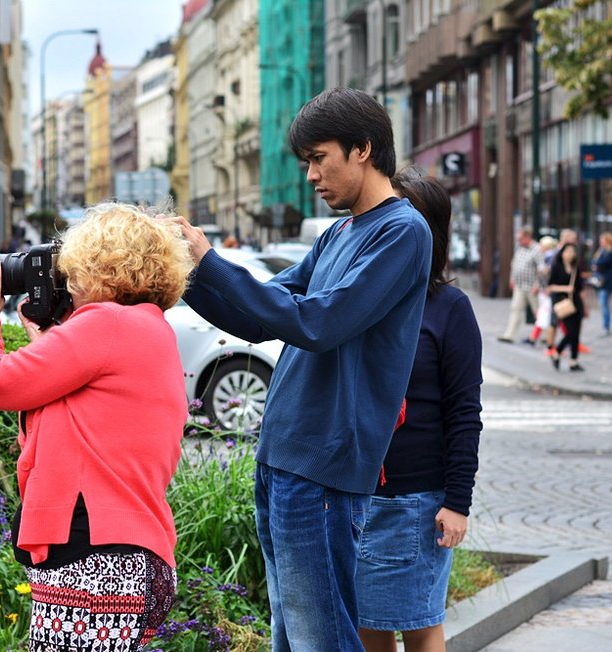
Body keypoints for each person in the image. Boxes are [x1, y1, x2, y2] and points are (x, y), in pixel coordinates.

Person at [169, 87, 432, 651]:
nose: (311, 175)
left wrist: (213, 261)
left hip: (325, 463)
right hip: (284, 455)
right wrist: (186, 274)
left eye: (319, 157)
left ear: (362, 148)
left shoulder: (402, 231)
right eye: (306, 161)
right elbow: (263, 312)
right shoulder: (339, 233)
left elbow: (318, 322)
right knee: (290, 633)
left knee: (322, 638)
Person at [0, 202, 192, 652]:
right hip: (128, 555)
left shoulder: (105, 324)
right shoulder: (146, 328)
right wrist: (47, 344)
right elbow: (72, 423)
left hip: (96, 558)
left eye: (73, 269)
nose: (67, 279)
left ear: (97, 267)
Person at [356, 168, 482, 652]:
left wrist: (457, 503)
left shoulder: (450, 308)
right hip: (358, 490)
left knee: (419, 622)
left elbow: (465, 412)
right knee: (369, 625)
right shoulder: (365, 298)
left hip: (416, 501)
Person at [497, 227, 542, 344]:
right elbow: (514, 264)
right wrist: (512, 279)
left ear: (528, 237)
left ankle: (545, 337)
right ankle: (510, 335)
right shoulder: (519, 248)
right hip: (520, 285)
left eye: (521, 239)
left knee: (538, 312)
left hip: (532, 286)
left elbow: (541, 269)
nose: (519, 241)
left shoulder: (537, 249)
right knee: (515, 309)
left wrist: (538, 284)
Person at [547, 242, 586, 371]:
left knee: (576, 333)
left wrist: (585, 305)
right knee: (570, 332)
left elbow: (580, 287)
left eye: (572, 252)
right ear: (562, 253)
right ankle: (557, 351)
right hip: (562, 302)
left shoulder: (576, 267)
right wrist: (565, 288)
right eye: (567, 251)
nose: (570, 254)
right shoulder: (556, 267)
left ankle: (573, 361)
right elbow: (550, 286)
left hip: (576, 302)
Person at [526, 235, 558, 346]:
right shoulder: (547, 257)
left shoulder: (551, 258)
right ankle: (535, 337)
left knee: (547, 315)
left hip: (547, 291)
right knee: (547, 315)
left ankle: (538, 338)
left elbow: (548, 275)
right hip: (545, 290)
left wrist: (544, 286)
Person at [589, 232, 612, 335]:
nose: (600, 242)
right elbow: (593, 262)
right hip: (599, 282)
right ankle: (605, 325)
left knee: (604, 303)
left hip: (606, 282)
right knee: (602, 304)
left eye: (602, 240)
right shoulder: (600, 251)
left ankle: (606, 326)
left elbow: (604, 262)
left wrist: (597, 264)